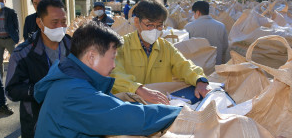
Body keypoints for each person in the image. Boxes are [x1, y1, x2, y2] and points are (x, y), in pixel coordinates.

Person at [33, 22, 182, 138]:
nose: (113, 65)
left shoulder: (72, 76)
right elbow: (129, 117)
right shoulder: (73, 92)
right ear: (91, 57)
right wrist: (179, 112)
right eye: (112, 58)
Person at [110, 0, 210, 105]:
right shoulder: (121, 46)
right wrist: (138, 89)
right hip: (128, 106)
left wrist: (200, 80)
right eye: (149, 25)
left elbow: (184, 66)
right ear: (137, 22)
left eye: (159, 26)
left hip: (158, 106)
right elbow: (114, 74)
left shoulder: (166, 47)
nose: (154, 30)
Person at [5, 0, 71, 138]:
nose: (60, 27)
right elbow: (11, 90)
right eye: (54, 23)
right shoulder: (22, 53)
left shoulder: (74, 46)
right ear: (40, 23)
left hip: (71, 118)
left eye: (64, 21)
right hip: (37, 122)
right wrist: (37, 90)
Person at [184, 1, 228, 65]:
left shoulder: (189, 27)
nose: (193, 16)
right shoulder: (221, 26)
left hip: (197, 67)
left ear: (198, 12)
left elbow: (186, 48)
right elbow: (225, 46)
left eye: (194, 13)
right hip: (216, 66)